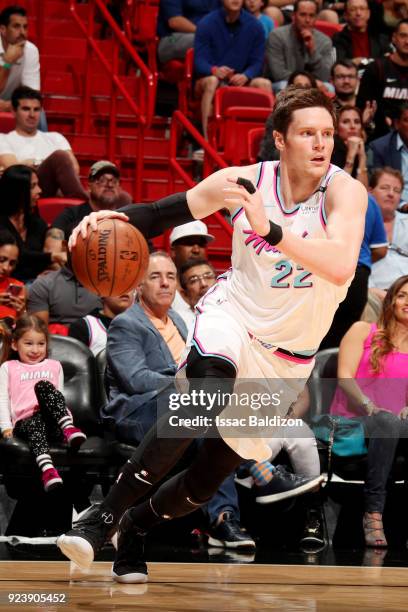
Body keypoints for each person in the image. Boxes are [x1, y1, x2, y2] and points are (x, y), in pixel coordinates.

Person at [56, 87, 367, 581]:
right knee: (201, 397)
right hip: (234, 316)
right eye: (308, 133)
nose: (321, 143)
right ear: (280, 140)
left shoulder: (344, 190)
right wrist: (106, 220)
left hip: (287, 358)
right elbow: (160, 213)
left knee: (205, 480)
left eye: (327, 133)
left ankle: (135, 526)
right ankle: (102, 518)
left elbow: (340, 264)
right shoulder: (243, 182)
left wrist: (274, 231)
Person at [330, 275, 408, 547]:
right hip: (353, 423)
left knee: (391, 423)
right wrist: (369, 406)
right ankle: (373, 512)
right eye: (402, 295)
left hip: (395, 430)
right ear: (390, 300)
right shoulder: (363, 330)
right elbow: (344, 376)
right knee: (385, 420)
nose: (407, 302)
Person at [0, 314, 87, 492]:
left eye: (41, 343)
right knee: (34, 423)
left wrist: (65, 419)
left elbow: (59, 396)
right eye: (29, 343)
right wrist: (5, 427)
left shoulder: (54, 366)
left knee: (45, 386)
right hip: (25, 424)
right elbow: (2, 399)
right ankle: (48, 470)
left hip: (54, 423)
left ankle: (68, 428)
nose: (35, 349)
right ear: (15, 344)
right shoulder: (8, 367)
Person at [193, 0, 272, 137]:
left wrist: (246, 75)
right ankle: (205, 142)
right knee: (212, 81)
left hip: (240, 79)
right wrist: (214, 70)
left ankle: (267, 142)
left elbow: (258, 62)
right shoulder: (206, 23)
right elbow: (199, 61)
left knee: (264, 84)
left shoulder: (255, 26)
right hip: (212, 78)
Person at [320, 191, 387, 348]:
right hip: (357, 273)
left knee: (314, 334)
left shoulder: (319, 191)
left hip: (325, 268)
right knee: (342, 341)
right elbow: (381, 248)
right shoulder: (367, 198)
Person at [0, 86, 87, 199]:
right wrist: (51, 165)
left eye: (36, 109)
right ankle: (85, 206)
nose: (32, 115)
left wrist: (32, 162)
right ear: (13, 111)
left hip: (54, 190)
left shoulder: (56, 137)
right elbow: (14, 169)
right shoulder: (3, 139)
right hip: (23, 192)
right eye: (26, 109)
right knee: (59, 156)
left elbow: (73, 169)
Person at [44, 161, 133, 256]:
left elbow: (149, 255)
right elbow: (52, 252)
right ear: (89, 186)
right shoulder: (70, 215)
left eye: (114, 181)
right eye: (101, 180)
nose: (110, 185)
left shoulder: (127, 219)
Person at [0, 165, 67, 281]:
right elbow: (19, 255)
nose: (39, 190)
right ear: (18, 191)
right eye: (33, 186)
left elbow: (38, 256)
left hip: (35, 284)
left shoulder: (34, 221)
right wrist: (52, 257)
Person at [264, 0, 333, 91]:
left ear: (316, 18)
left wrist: (312, 51)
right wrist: (304, 83)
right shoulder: (277, 36)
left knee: (329, 88)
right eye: (303, 15)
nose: (307, 20)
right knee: (283, 86)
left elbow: (325, 76)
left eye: (311, 16)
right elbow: (278, 74)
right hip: (285, 83)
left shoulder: (325, 41)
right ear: (293, 16)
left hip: (312, 84)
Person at [357, 19, 408, 140]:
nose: (407, 41)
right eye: (403, 36)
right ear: (394, 38)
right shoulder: (375, 69)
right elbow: (362, 109)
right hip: (379, 138)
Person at [27, 265, 102, 331]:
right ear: (67, 249)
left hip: (98, 341)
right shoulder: (44, 284)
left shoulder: (108, 284)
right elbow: (39, 331)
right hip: (58, 343)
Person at [368, 167, 408, 291]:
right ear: (370, 192)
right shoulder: (358, 224)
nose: (391, 194)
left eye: (396, 190)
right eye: (384, 188)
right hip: (374, 293)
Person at [169, 220, 214, 325]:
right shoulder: (162, 287)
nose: (196, 250)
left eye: (201, 244)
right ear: (173, 251)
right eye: (189, 243)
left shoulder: (214, 284)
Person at [68, 291, 136, 356]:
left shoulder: (141, 325)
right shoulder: (83, 327)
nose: (125, 290)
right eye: (118, 284)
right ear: (102, 293)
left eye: (130, 286)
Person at [0, 5, 40, 112]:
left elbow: (32, 96)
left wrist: (10, 105)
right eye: (16, 26)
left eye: (25, 27)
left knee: (39, 115)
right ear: (3, 30)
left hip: (14, 103)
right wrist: (7, 62)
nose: (22, 32)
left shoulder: (30, 50)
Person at [157, 0, 220, 64]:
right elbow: (175, 22)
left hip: (206, 35)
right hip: (171, 38)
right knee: (209, 41)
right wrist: (204, 33)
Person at [367, 103, 408, 201]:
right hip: (394, 207)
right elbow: (376, 187)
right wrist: (402, 205)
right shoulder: (379, 148)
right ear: (397, 124)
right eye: (407, 120)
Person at [332, 0, 390, 67]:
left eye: (362, 9)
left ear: (368, 14)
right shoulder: (338, 39)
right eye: (353, 10)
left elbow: (388, 60)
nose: (358, 13)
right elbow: (339, 65)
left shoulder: (380, 38)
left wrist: (361, 61)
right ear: (345, 15)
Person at [331, 106, 369, 187]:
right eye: (346, 122)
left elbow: (363, 192)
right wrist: (351, 156)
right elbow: (338, 188)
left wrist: (362, 158)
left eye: (357, 122)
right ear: (336, 128)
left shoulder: (366, 149)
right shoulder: (330, 150)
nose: (352, 126)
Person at [177, 258, 217, 328]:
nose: (203, 284)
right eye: (194, 280)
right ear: (184, 294)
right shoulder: (181, 323)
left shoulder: (235, 311)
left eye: (208, 276)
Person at [0, 229, 25, 327]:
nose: (6, 267)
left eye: (12, 263)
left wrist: (22, 314)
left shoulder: (19, 287)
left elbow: (23, 332)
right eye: (1, 260)